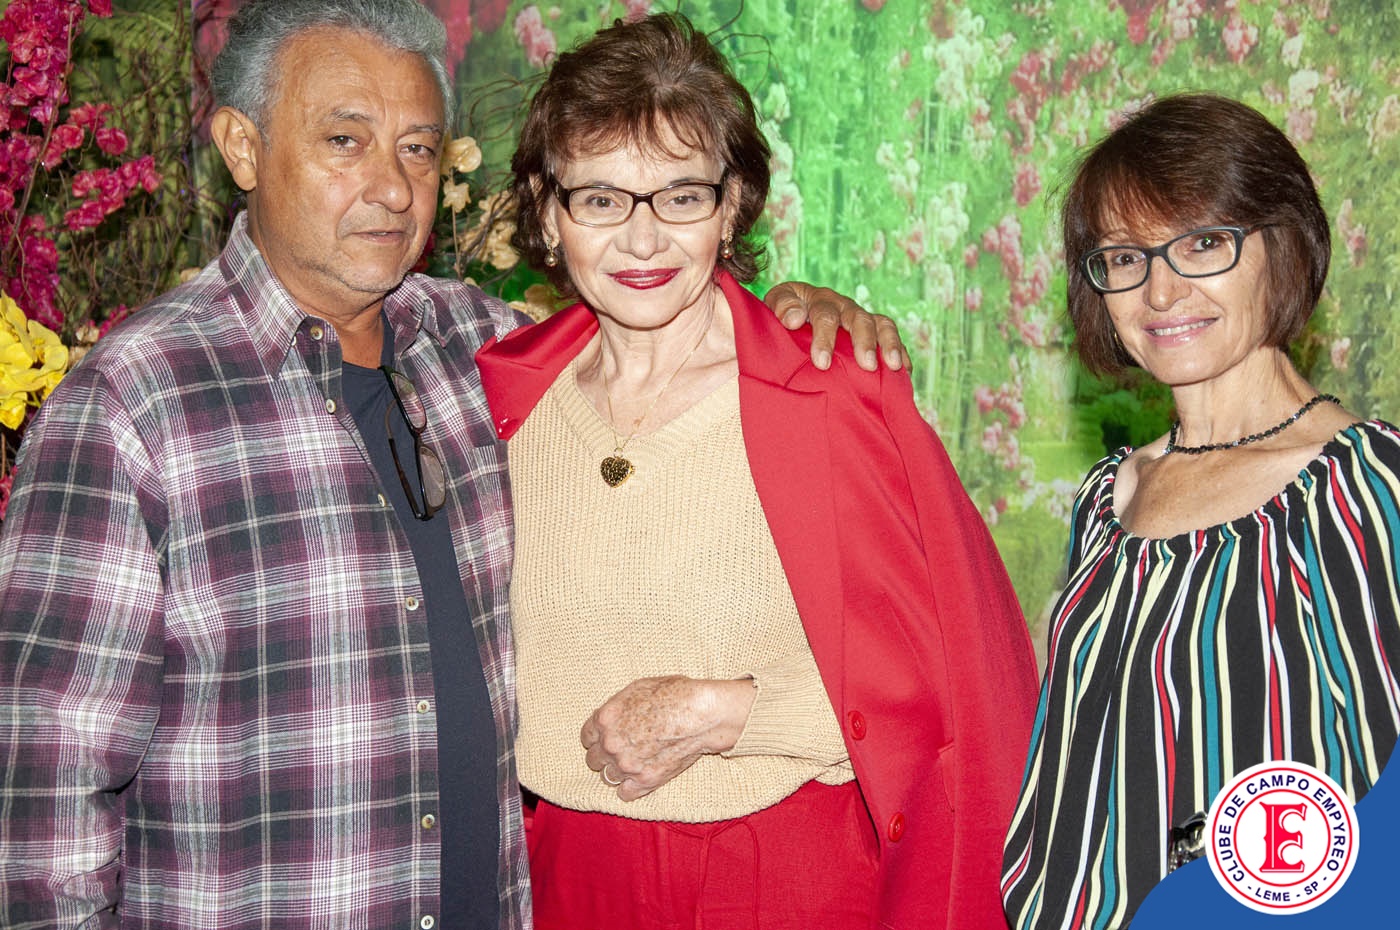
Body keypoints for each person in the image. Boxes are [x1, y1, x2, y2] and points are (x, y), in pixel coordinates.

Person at [0, 1, 902, 926]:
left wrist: (798, 317)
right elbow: (43, 797)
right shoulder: (135, 406)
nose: (393, 189)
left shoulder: (485, 355)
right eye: (345, 141)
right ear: (242, 147)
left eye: (418, 150)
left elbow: (660, 323)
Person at [475, 13, 1040, 930]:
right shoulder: (502, 404)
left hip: (785, 879)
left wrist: (731, 711)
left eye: (681, 197)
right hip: (563, 878)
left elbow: (954, 685)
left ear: (732, 205)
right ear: (548, 211)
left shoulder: (828, 395)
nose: (643, 241)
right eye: (602, 199)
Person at [1001, 93, 1400, 929]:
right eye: (1124, 257)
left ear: (1285, 245)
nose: (1160, 290)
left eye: (1204, 243)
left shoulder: (1366, 483)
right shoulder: (1107, 500)